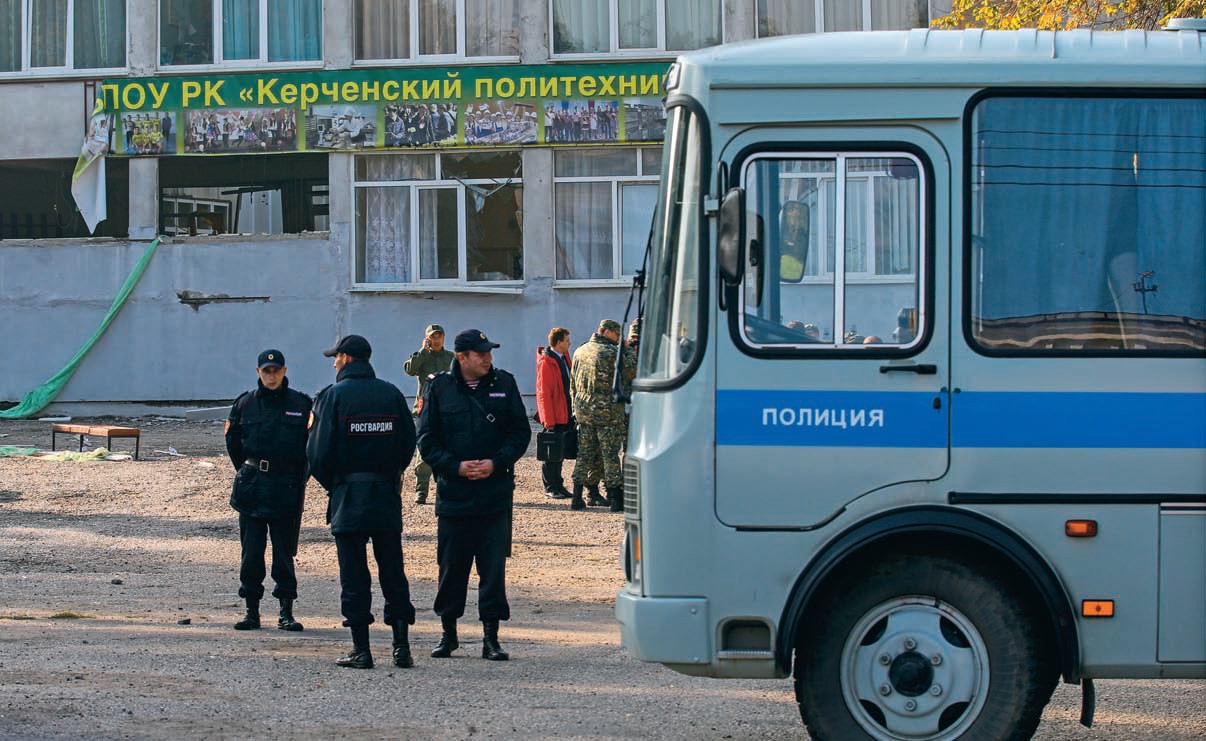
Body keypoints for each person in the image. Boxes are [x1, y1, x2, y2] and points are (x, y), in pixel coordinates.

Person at [417, 329, 531, 661]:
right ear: (462, 357)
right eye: (480, 354)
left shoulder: (504, 383)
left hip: (494, 495)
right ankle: (448, 634)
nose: (487, 359)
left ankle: (491, 638)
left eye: (489, 353)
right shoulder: (439, 388)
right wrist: (455, 467)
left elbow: (519, 433)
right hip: (455, 495)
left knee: (493, 570)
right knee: (452, 568)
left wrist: (497, 463)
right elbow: (426, 439)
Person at [307, 334, 418, 670]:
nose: (333, 364)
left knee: (354, 574)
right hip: (385, 492)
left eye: (335, 358)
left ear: (345, 358)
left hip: (348, 494)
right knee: (393, 571)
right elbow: (407, 444)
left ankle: (361, 649)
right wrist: (389, 475)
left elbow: (317, 453)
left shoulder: (331, 397)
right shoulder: (391, 394)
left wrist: (336, 485)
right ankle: (401, 647)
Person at [225, 349, 312, 633]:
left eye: (276, 371)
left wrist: (299, 477)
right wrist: (248, 469)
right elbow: (233, 442)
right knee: (251, 553)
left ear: (284, 371)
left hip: (286, 486)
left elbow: (311, 446)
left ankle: (286, 612)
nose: (271, 376)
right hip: (252, 487)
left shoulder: (301, 404)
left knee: (284, 554)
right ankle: (251, 611)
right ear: (258, 372)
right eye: (266, 371)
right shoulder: (246, 403)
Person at [570, 319, 635, 512]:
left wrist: (576, 408)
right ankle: (615, 500)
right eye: (617, 334)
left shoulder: (580, 351)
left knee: (584, 455)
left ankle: (576, 497)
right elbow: (632, 371)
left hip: (584, 412)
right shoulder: (612, 352)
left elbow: (572, 384)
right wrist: (628, 350)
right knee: (610, 456)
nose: (619, 338)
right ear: (607, 332)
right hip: (608, 414)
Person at [403, 324, 455, 504]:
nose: (436, 339)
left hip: (446, 409)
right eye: (433, 336)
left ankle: (445, 487)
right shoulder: (422, 357)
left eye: (439, 336)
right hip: (425, 409)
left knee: (447, 448)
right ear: (427, 339)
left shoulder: (451, 357)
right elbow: (410, 370)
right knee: (424, 450)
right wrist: (422, 351)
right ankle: (421, 489)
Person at [535, 327, 573, 500]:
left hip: (564, 412)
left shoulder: (562, 358)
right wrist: (548, 419)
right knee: (550, 453)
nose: (569, 343)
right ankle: (550, 486)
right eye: (567, 340)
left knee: (559, 452)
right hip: (555, 415)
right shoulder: (547, 362)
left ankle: (558, 484)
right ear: (559, 342)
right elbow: (544, 393)